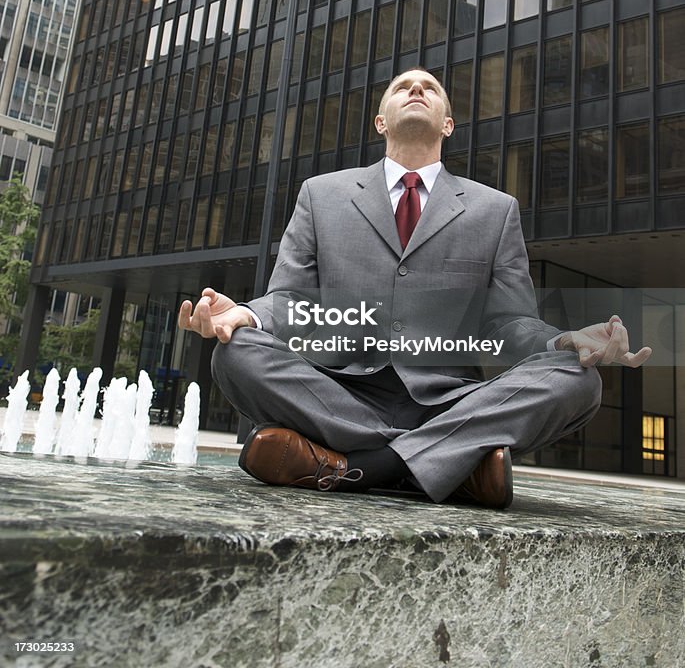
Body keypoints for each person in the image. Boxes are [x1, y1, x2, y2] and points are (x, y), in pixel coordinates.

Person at [178, 68, 651, 507]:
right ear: (381, 122)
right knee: (236, 352)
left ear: (447, 124)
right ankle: (453, 463)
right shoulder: (321, 194)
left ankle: (352, 467)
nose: (417, 90)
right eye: (403, 87)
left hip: (448, 401)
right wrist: (247, 314)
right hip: (335, 391)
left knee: (578, 378)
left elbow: (509, 323)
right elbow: (291, 300)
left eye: (431, 88)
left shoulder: (495, 209)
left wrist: (565, 341)